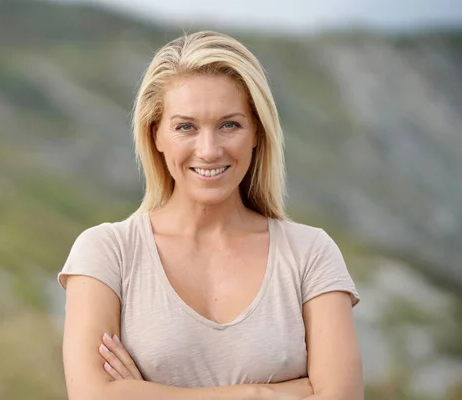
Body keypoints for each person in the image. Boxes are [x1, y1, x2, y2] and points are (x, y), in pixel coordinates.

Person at [57, 31, 363, 400]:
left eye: (229, 124)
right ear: (156, 135)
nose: (209, 150)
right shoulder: (108, 252)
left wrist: (144, 392)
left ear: (256, 132)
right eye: (186, 126)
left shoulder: (310, 253)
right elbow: (92, 396)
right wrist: (261, 394)